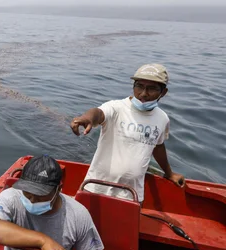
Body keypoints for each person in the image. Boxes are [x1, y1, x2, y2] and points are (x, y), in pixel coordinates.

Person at [70, 64, 185, 203]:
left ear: (163, 92)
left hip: (132, 194)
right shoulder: (117, 108)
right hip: (96, 187)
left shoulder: (162, 118)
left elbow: (158, 146)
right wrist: (87, 118)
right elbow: (98, 113)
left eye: (152, 88)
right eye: (139, 86)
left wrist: (169, 173)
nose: (143, 93)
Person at [0, 155, 104, 250]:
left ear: (58, 189)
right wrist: (43, 240)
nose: (33, 200)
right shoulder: (11, 197)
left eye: (41, 195)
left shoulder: (78, 214)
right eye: (28, 193)